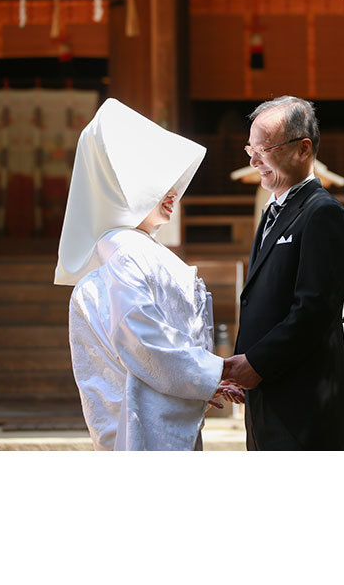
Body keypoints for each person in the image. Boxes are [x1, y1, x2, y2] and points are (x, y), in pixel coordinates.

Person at [55, 98, 242, 451]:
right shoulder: (126, 253)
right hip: (146, 420)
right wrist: (209, 374)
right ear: (126, 190)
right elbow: (143, 337)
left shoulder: (130, 251)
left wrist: (204, 379)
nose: (173, 193)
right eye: (159, 185)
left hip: (159, 408)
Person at [222, 96, 344, 450]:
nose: (253, 160)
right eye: (250, 149)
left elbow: (314, 311)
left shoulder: (323, 213)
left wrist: (255, 364)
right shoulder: (273, 211)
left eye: (263, 149)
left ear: (303, 149)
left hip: (303, 404)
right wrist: (243, 366)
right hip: (265, 395)